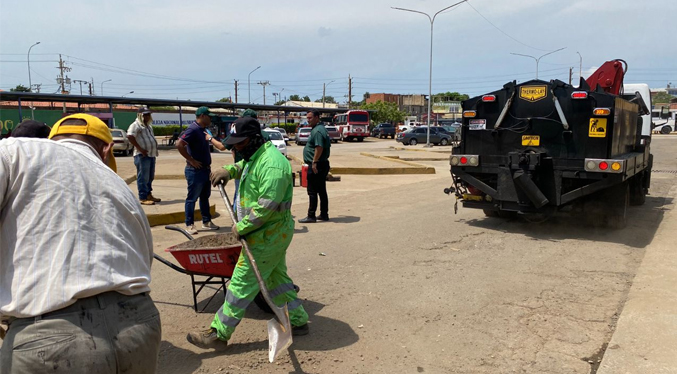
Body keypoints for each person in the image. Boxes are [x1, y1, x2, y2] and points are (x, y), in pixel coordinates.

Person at [0, 113, 161, 373]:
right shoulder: (117, 184)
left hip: (49, 339)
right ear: (106, 148)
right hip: (139, 325)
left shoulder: (14, 151)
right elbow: (145, 258)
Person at [186, 117, 309, 349]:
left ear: (254, 139)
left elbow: (265, 208)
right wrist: (229, 170)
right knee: (277, 281)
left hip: (267, 235)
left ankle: (219, 334)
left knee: (241, 284)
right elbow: (245, 167)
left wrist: (240, 227)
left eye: (239, 144)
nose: (235, 148)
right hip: (267, 233)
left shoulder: (272, 165)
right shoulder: (256, 157)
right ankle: (299, 320)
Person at [177, 106, 220, 234]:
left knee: (205, 197)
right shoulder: (193, 129)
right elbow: (179, 144)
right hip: (195, 171)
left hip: (205, 170)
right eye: (209, 116)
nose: (210, 118)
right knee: (192, 198)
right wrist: (191, 160)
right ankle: (189, 224)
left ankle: (206, 222)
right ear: (202, 116)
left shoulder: (203, 130)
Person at [299, 110, 331, 223]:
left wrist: (314, 162)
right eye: (307, 118)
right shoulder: (320, 128)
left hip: (317, 165)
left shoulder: (317, 131)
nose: (308, 120)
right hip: (321, 164)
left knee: (312, 191)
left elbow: (319, 147)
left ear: (317, 118)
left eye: (310, 118)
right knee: (321, 190)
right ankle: (324, 214)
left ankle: (311, 215)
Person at [127, 107, 160, 205]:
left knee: (150, 176)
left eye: (148, 114)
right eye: (145, 114)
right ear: (140, 115)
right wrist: (140, 149)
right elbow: (130, 136)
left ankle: (148, 194)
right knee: (143, 177)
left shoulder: (148, 126)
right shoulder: (136, 125)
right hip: (142, 155)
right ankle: (143, 197)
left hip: (151, 154)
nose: (147, 116)